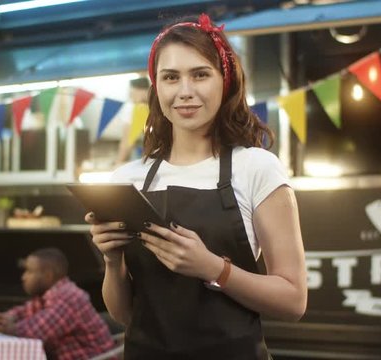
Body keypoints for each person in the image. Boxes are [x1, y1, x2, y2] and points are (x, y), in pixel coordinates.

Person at [86, 13, 307, 360]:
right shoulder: (127, 178)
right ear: (156, 87)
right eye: (170, 77)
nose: (185, 92)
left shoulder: (257, 168)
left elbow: (294, 301)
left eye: (200, 74)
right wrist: (112, 261)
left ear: (226, 81)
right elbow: (127, 316)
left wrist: (214, 269)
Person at [0, 248, 115, 360]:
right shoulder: (47, 295)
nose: (24, 277)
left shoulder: (68, 298)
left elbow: (33, 332)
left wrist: (7, 327)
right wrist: (8, 317)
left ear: (48, 275)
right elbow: (23, 311)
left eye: (29, 271)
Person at [115, 77, 150, 166]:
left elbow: (127, 141)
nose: (131, 97)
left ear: (142, 91)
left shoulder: (140, 108)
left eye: (132, 93)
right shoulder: (157, 105)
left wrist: (118, 163)